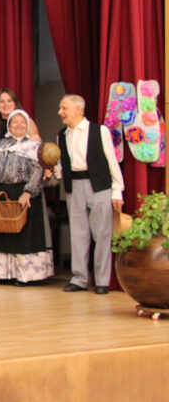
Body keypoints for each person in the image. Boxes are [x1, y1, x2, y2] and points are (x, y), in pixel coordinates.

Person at [57, 94, 125, 295]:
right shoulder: (62, 135)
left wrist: (117, 190)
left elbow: (111, 160)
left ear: (78, 109)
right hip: (74, 186)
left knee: (102, 233)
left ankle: (102, 281)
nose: (60, 112)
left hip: (99, 185)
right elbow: (63, 164)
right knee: (78, 233)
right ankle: (79, 279)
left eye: (64, 108)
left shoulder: (99, 131)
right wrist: (54, 171)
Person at [0, 110, 53, 286]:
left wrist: (28, 192)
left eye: (22, 122)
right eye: (15, 122)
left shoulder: (33, 146)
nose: (19, 125)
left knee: (22, 236)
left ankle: (24, 276)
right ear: (9, 126)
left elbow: (37, 170)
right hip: (1, 194)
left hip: (24, 195)